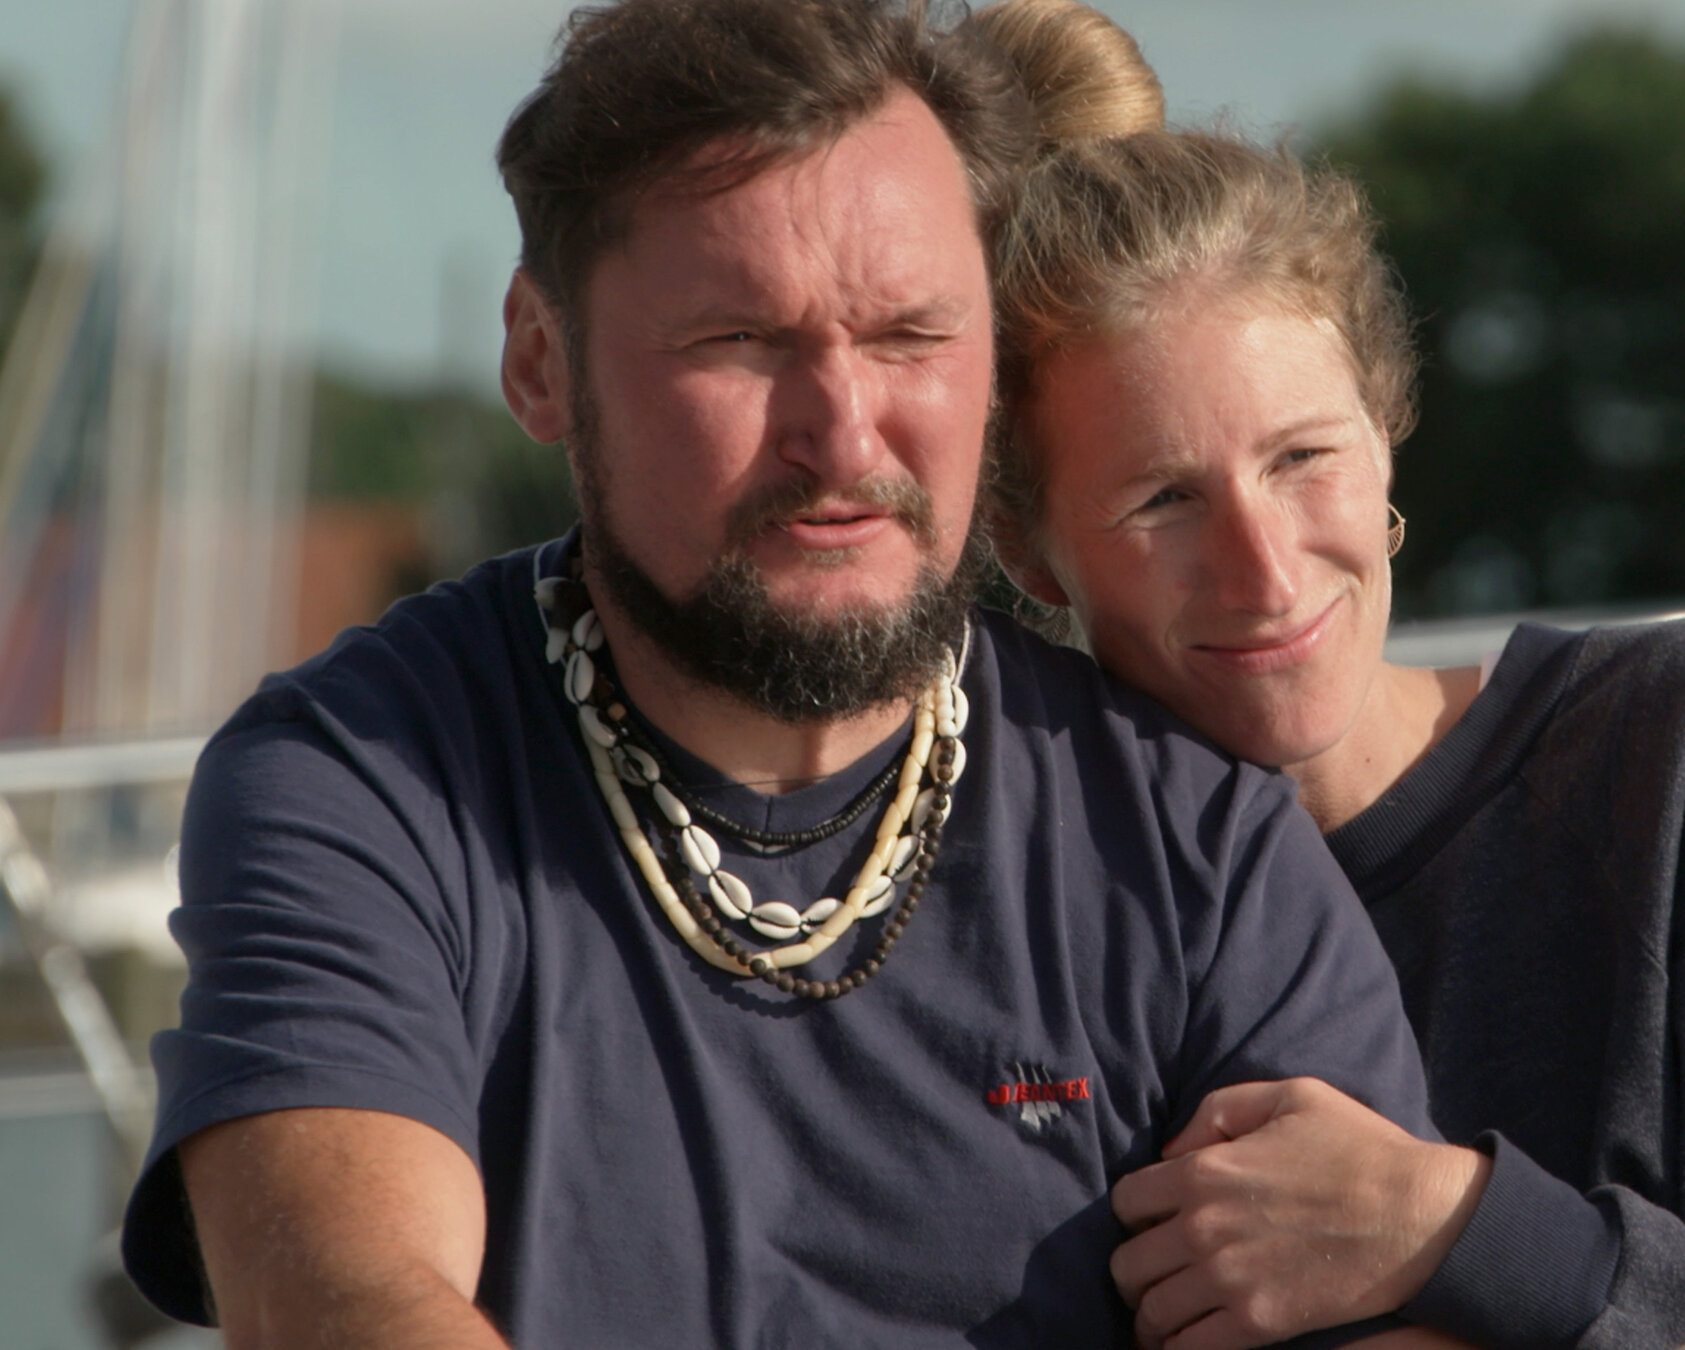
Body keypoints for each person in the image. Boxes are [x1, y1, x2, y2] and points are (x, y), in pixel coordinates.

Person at [115, 1, 1446, 1344]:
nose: (841, 432)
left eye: (908, 336)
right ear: (540, 361)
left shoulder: (1187, 841)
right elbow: (343, 1298)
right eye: (741, 343)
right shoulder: (372, 782)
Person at [973, 4, 1685, 1348]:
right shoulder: (1009, 902)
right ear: (1031, 547)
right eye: (1163, 498)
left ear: (1388, 428)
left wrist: (1464, 1232)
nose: (1263, 565)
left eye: (1303, 458)